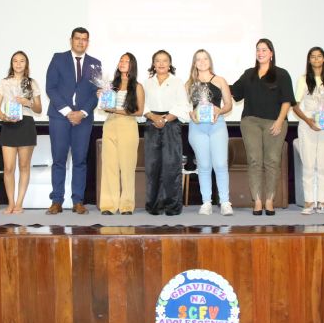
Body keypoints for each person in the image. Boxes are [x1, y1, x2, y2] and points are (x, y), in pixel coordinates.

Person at [230, 39, 295, 216]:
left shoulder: (282, 74)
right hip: (250, 122)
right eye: (258, 49)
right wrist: (214, 81)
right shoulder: (248, 74)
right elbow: (234, 91)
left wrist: (280, 121)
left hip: (275, 122)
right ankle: (258, 201)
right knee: (254, 160)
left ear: (271, 53)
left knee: (272, 161)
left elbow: (287, 101)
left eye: (264, 50)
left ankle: (269, 201)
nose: (260, 53)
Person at [45, 27, 100, 214]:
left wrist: (82, 112)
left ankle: (78, 201)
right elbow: (51, 88)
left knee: (80, 160)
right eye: (77, 38)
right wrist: (68, 112)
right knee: (59, 160)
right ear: (71, 40)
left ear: (88, 42)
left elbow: (96, 93)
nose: (81, 42)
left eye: (84, 39)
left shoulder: (95, 64)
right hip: (59, 117)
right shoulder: (58, 59)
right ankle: (56, 201)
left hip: (83, 119)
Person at [185, 49, 234, 216]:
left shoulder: (220, 80)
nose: (202, 61)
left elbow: (228, 104)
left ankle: (225, 202)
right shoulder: (189, 84)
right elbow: (184, 106)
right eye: (198, 59)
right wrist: (191, 114)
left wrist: (219, 110)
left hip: (216, 125)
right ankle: (206, 202)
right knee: (204, 165)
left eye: (205, 58)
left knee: (220, 164)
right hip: (197, 126)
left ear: (210, 61)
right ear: (194, 63)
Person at [142, 50, 190, 215]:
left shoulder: (177, 82)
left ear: (170, 64)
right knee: (153, 167)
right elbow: (142, 105)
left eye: (165, 61)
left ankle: (172, 206)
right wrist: (153, 117)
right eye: (158, 60)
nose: (161, 63)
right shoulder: (146, 83)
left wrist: (165, 119)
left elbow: (183, 105)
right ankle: (154, 205)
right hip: (151, 124)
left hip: (171, 124)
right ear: (153, 64)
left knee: (171, 166)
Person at [0, 51, 42, 214]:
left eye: (22, 61)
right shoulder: (4, 82)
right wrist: (4, 117)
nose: (18, 64)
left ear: (26, 64)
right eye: (15, 61)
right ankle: (11, 203)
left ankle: (19, 203)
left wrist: (28, 103)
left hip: (26, 125)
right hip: (9, 125)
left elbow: (39, 109)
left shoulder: (32, 83)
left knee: (24, 166)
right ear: (11, 64)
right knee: (8, 168)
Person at [293, 47, 324, 215]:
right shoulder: (303, 79)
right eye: (313, 57)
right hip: (308, 125)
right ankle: (309, 202)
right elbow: (295, 105)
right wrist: (308, 121)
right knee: (308, 165)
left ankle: (323, 202)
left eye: (319, 56)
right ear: (309, 60)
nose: (316, 59)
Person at [98, 53, 144, 215]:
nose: (123, 63)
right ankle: (109, 205)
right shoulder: (111, 85)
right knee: (109, 166)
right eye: (121, 60)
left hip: (128, 126)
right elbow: (105, 107)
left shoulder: (137, 86)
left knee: (127, 167)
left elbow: (139, 111)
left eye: (127, 61)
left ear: (133, 65)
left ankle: (126, 205)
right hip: (110, 124)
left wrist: (115, 110)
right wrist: (101, 98)